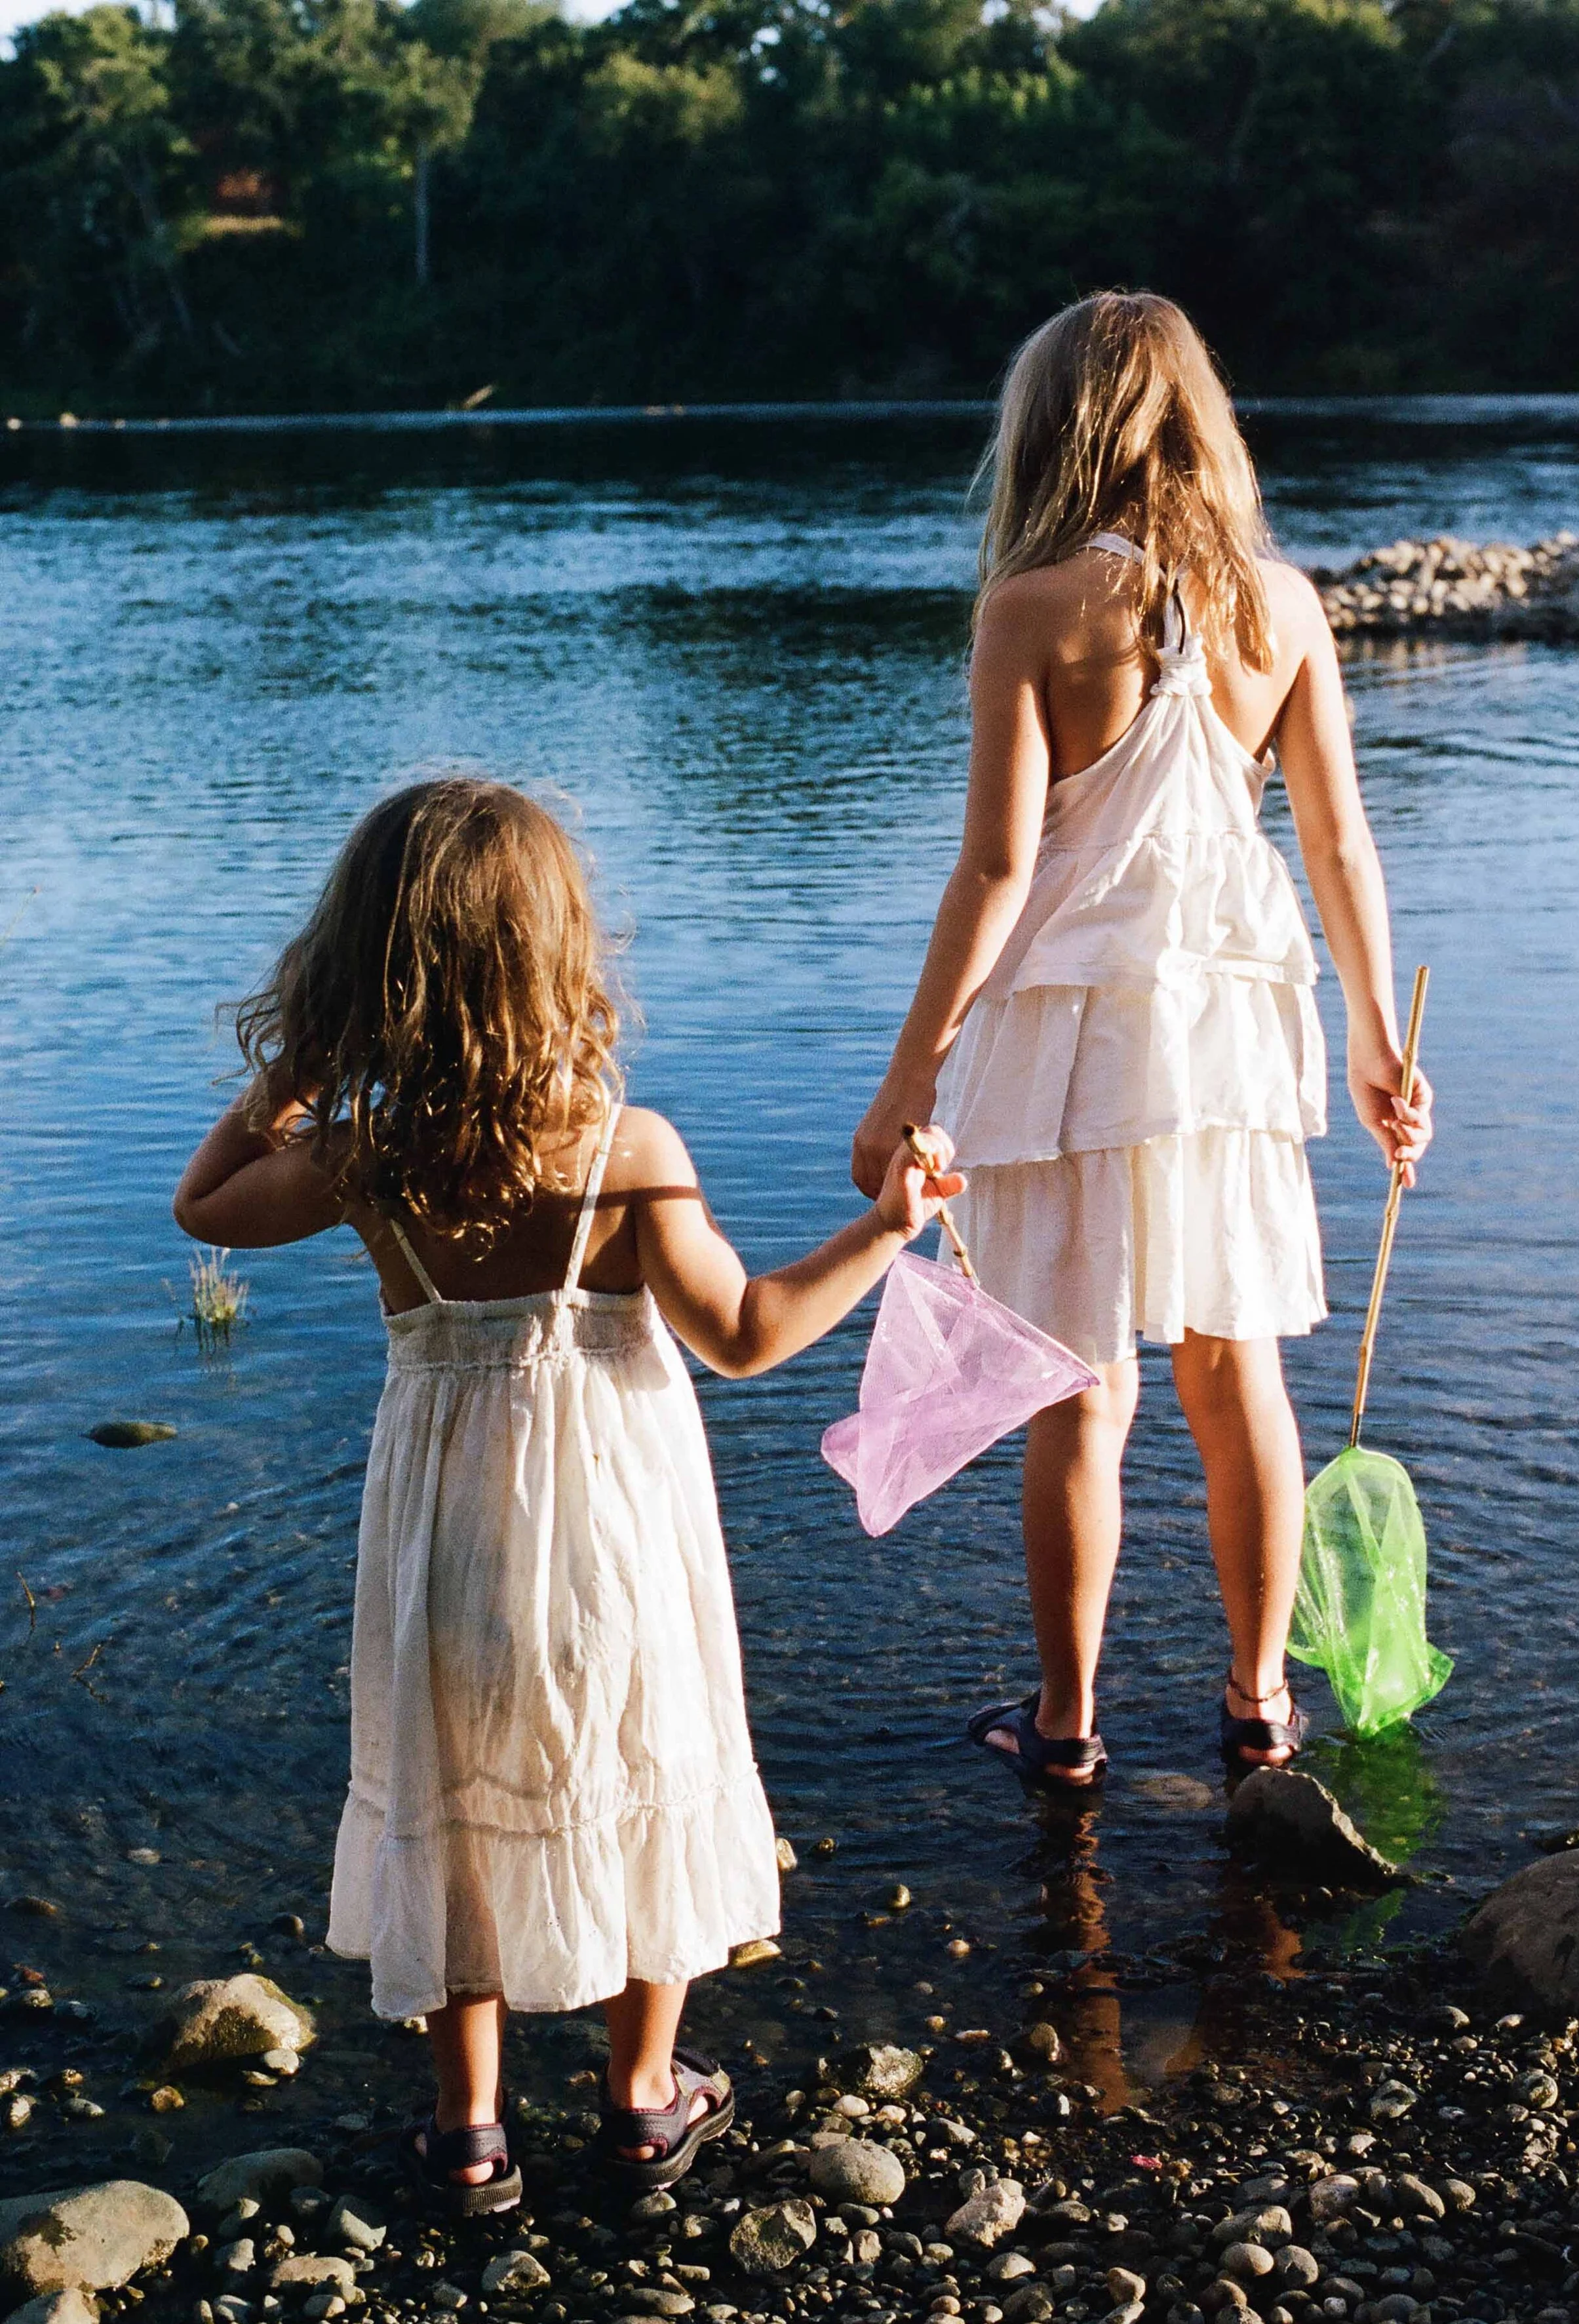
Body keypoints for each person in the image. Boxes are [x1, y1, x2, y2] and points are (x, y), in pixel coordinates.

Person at [174, 778, 961, 2213]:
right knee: (642, 1756)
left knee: (456, 1785)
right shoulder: (623, 1149)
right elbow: (746, 1334)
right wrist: (884, 1226)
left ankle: (472, 2132)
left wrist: (304, 1063)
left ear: (367, 967)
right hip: (615, 1537)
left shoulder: (368, 1156)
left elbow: (205, 1201)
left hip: (443, 1542)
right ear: (560, 955)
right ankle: (641, 2101)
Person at [851, 292, 1432, 1786]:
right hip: (1236, 1024)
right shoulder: (1280, 606)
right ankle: (1255, 1704)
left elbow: (992, 872)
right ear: (1199, 421)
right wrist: (1375, 1041)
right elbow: (1339, 844)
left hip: (1071, 1030)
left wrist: (907, 1073)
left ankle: (1065, 1726)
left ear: (1051, 430)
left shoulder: (1032, 610)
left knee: (1078, 1384)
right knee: (1238, 1368)